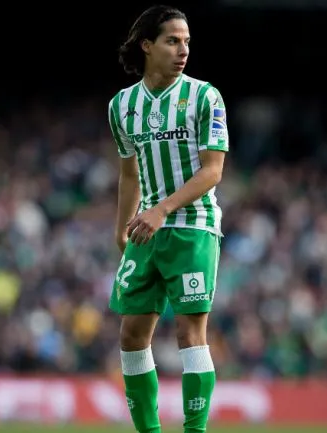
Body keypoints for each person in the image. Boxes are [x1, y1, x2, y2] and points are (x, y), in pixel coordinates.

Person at [107, 5, 229, 433]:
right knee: (131, 335)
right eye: (173, 41)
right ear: (147, 45)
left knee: (189, 336)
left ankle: (194, 430)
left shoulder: (204, 96)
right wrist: (122, 227)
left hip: (192, 227)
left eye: (187, 42)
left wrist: (161, 209)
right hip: (146, 231)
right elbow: (129, 172)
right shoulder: (122, 106)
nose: (183, 50)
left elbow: (212, 171)